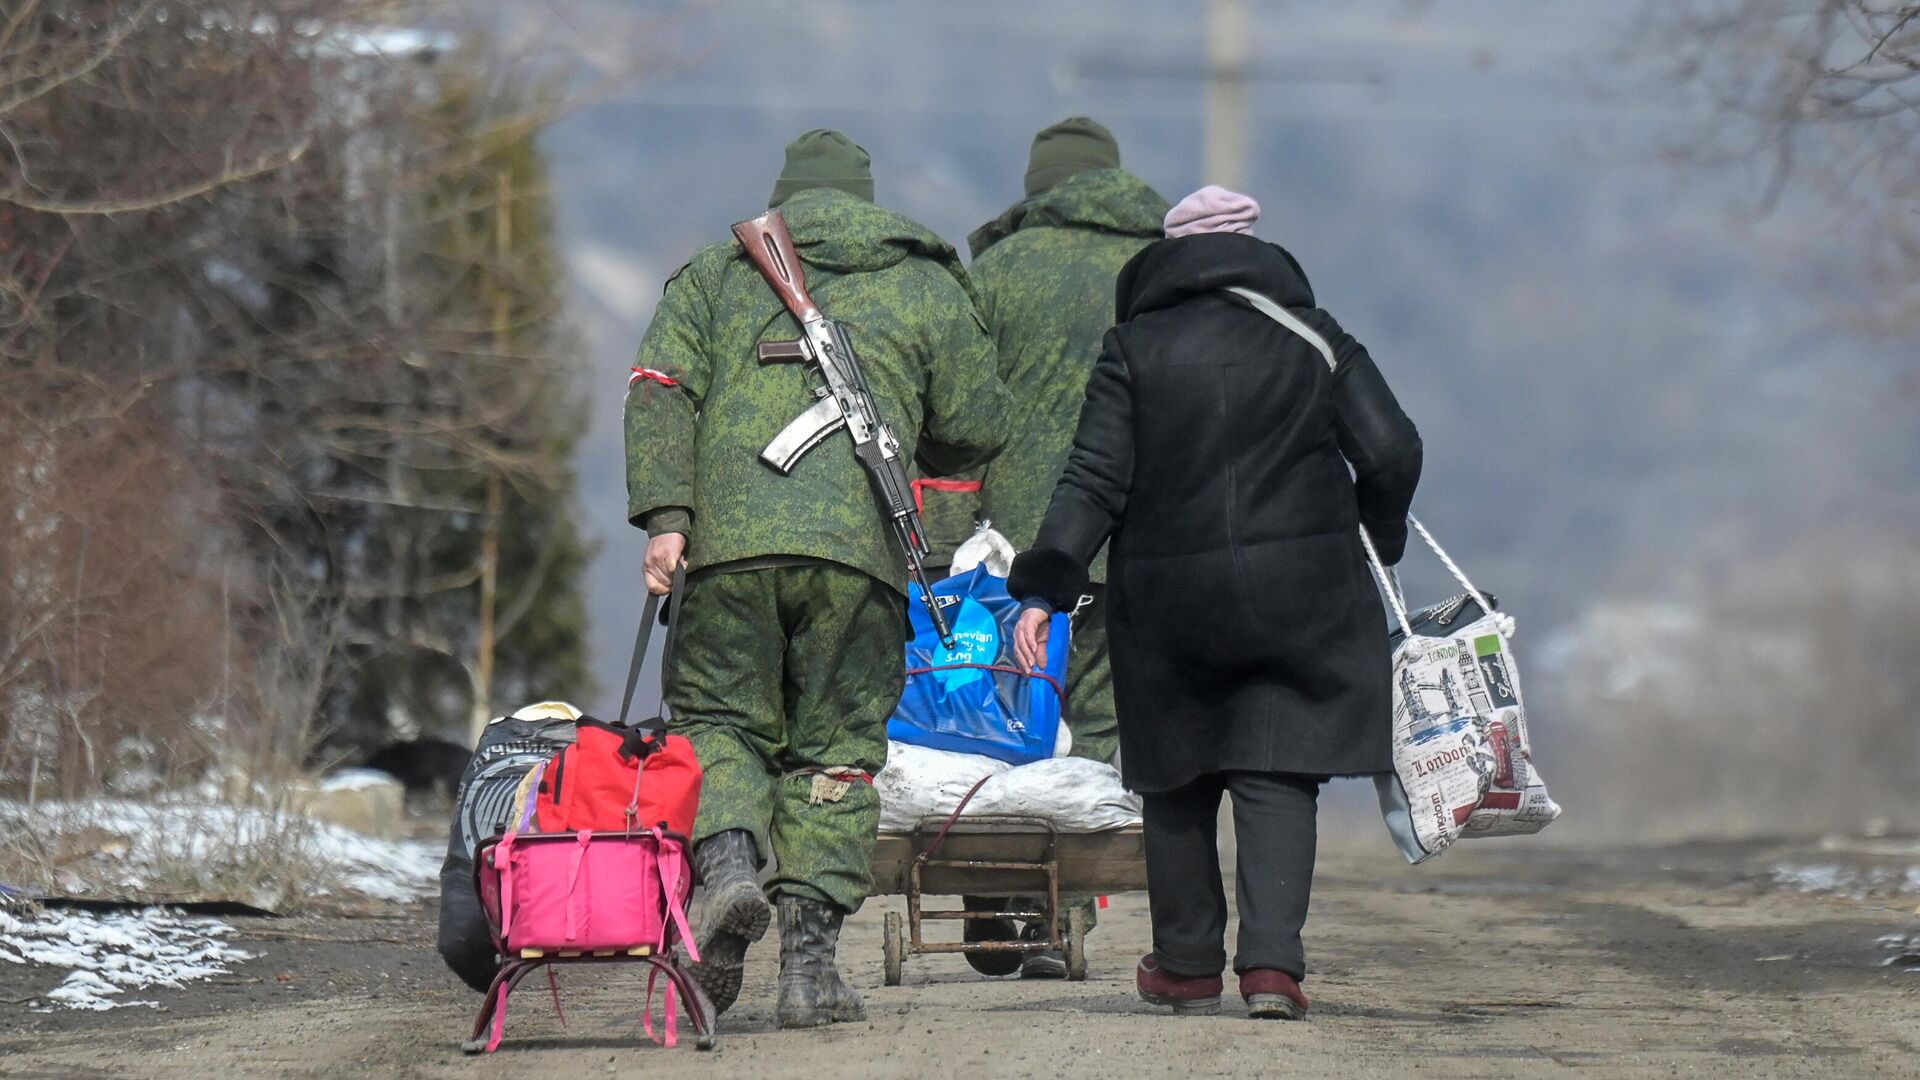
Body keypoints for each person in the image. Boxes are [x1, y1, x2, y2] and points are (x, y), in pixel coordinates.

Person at [624, 129, 1010, 1028]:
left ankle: (724, 875)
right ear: (869, 202)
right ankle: (808, 971)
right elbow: (976, 422)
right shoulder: (923, 282)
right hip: (859, 558)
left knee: (719, 723)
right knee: (834, 751)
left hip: (726, 551)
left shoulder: (715, 277)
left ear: (786, 200)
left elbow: (657, 386)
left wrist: (667, 518)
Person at [1008, 186, 1423, 1019]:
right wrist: (1373, 532)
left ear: (1166, 258)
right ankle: (1272, 968)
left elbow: (1094, 478)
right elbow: (1393, 448)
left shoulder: (1134, 346)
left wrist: (1048, 587)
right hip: (1303, 593)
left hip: (1170, 598)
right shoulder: (1314, 335)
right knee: (1279, 768)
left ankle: (1188, 963)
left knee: (1178, 770)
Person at [948, 116, 1169, 978]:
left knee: (995, 717)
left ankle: (995, 903)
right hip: (1126, 535)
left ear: (1039, 187)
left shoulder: (996, 272)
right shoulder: (1154, 270)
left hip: (1009, 549)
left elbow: (956, 409)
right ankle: (1062, 909)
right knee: (1098, 719)